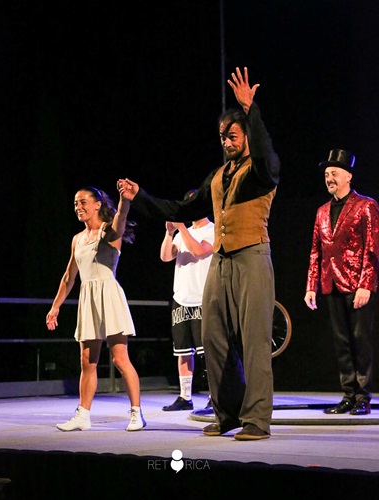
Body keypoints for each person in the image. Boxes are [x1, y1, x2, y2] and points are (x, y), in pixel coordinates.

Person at [118, 66, 280, 440]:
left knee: (254, 341)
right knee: (214, 337)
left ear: (247, 136)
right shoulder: (217, 176)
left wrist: (251, 109)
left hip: (252, 255)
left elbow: (266, 155)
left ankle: (257, 419)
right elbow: (182, 209)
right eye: (223, 136)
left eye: (233, 135)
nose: (227, 141)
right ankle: (227, 413)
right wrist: (141, 196)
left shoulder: (260, 169)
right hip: (220, 261)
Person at [46, 186, 146, 432]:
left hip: (108, 295)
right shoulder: (77, 239)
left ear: (97, 205)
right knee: (87, 361)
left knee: (120, 358)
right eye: (75, 203)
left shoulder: (108, 231)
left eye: (83, 202)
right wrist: (55, 306)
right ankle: (83, 415)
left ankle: (137, 413)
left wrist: (124, 201)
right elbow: (69, 277)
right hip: (88, 298)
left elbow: (121, 219)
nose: (78, 207)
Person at [304, 149, 379, 416]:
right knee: (342, 343)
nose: (329, 178)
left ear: (348, 176)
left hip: (356, 284)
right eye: (327, 174)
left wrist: (366, 284)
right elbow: (316, 251)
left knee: (361, 341)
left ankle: (363, 396)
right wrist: (311, 286)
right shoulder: (322, 211)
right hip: (331, 284)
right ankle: (348, 394)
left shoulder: (366, 206)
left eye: (334, 173)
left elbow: (372, 248)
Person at [160, 189, 214, 412]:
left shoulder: (212, 230)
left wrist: (181, 228)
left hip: (203, 298)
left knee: (208, 351)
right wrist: (169, 233)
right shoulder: (183, 232)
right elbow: (165, 256)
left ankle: (215, 395)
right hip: (181, 297)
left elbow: (199, 251)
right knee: (183, 350)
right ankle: (185, 397)